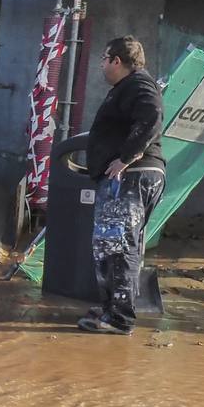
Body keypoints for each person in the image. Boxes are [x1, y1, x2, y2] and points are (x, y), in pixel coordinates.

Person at [79, 36, 166, 335]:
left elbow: (152, 116)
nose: (102, 65)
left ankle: (119, 319)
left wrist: (125, 158)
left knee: (117, 247)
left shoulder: (138, 84)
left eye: (105, 58)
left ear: (117, 60)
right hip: (130, 177)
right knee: (113, 245)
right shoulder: (127, 88)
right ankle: (113, 308)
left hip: (131, 178)